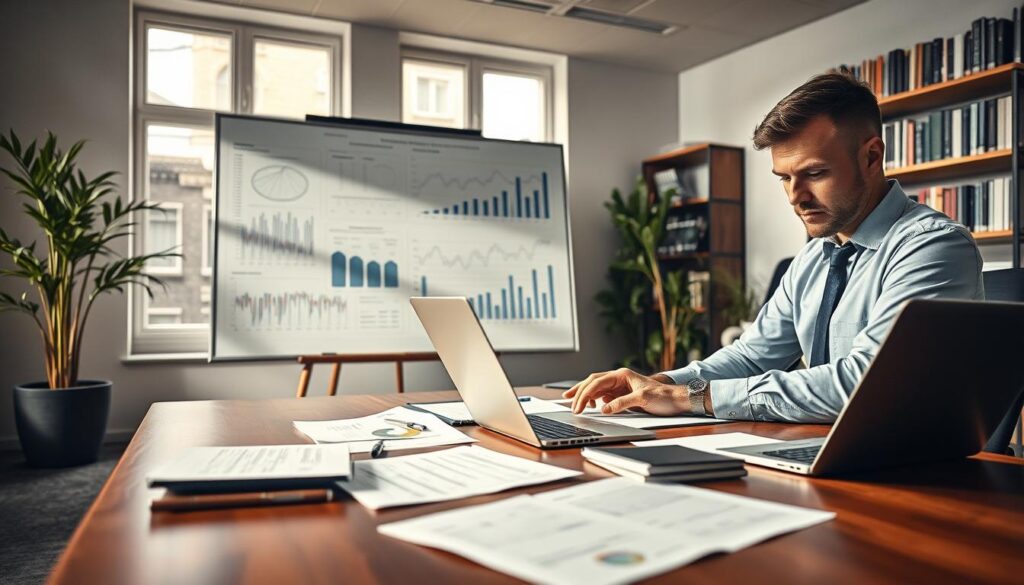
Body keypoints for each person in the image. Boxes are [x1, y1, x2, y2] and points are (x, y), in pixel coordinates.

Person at [565, 72, 984, 423]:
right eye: (783, 178)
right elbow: (753, 356)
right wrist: (660, 384)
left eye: (814, 173)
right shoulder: (813, 257)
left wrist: (689, 399)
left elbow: (865, 386)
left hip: (910, 468)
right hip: (821, 445)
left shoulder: (933, 247)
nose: (794, 197)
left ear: (872, 157)